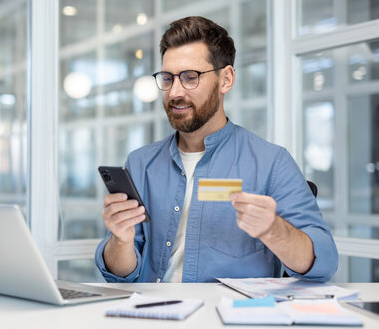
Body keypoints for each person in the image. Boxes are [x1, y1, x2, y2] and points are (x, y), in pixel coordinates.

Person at [94, 16, 338, 283]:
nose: (175, 92)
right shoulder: (141, 163)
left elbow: (324, 261)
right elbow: (120, 275)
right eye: (167, 78)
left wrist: (273, 230)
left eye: (190, 77)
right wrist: (120, 240)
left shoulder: (272, 163)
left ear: (226, 79)